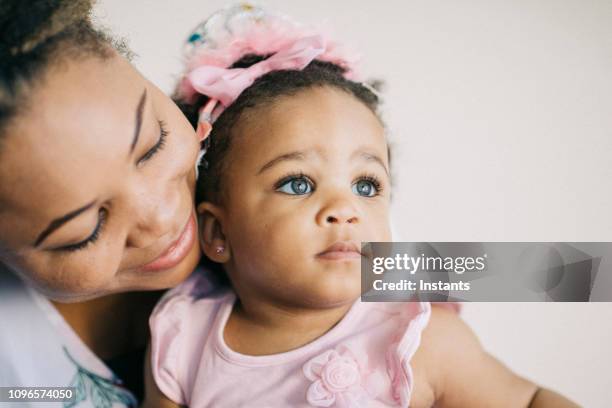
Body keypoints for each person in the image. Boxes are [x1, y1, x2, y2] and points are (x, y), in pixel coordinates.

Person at [144, 5, 579, 407]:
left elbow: (531, 400)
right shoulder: (183, 339)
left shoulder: (415, 340)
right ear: (218, 233)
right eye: (298, 184)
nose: (344, 208)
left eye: (366, 186)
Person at [0, 1, 205, 405]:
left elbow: (369, 239)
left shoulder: (261, 144)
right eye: (84, 232)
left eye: (153, 146)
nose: (162, 218)